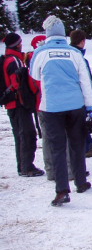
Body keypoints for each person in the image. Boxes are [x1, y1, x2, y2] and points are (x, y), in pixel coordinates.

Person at [30, 16, 92, 206]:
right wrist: (90, 108)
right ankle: (81, 182)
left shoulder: (41, 52)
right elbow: (85, 82)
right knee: (76, 144)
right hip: (75, 105)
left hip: (51, 107)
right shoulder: (74, 53)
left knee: (57, 149)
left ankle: (62, 191)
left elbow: (34, 74)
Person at [1, 33, 44, 178]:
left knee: (19, 135)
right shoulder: (14, 61)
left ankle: (22, 165)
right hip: (18, 103)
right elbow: (15, 83)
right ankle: (26, 166)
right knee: (27, 134)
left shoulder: (8, 59)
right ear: (17, 44)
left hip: (11, 103)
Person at [70, 30, 92, 158]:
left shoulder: (70, 55)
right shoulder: (79, 58)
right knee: (81, 120)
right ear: (83, 41)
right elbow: (86, 80)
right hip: (80, 95)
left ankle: (88, 144)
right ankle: (85, 146)